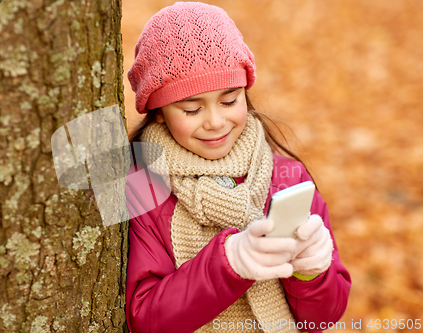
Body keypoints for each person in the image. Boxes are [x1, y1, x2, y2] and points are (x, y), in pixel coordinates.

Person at [125, 2, 351, 332]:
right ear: (158, 111)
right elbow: (144, 319)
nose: (216, 122)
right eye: (191, 109)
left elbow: (324, 317)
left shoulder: (287, 179)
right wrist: (228, 264)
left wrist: (312, 271)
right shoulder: (142, 188)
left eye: (229, 101)